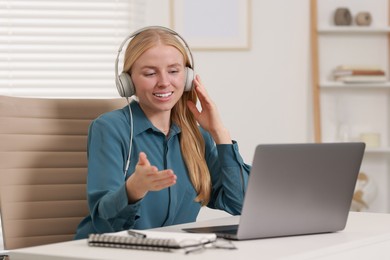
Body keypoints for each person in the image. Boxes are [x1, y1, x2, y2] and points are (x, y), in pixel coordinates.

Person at [75, 26, 251, 239]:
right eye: (150, 73)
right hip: (112, 251)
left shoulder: (197, 137)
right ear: (127, 82)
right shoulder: (110, 129)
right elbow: (105, 224)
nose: (164, 82)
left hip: (170, 251)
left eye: (174, 71)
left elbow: (241, 204)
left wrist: (219, 133)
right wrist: (133, 190)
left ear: (187, 77)